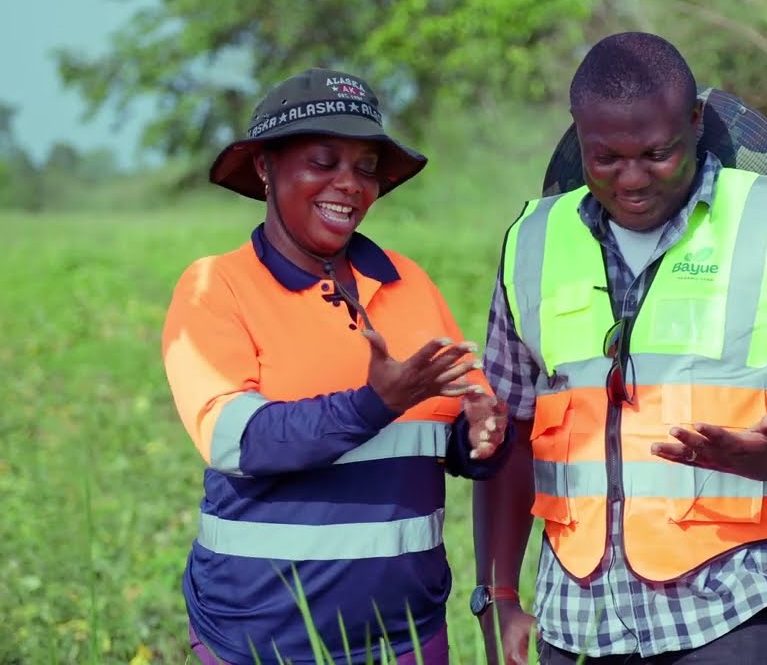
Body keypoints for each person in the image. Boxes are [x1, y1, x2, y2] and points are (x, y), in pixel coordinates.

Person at [470, 32, 767, 664]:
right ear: (579, 136)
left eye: (656, 154)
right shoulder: (532, 240)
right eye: (606, 158)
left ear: (694, 122)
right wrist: (498, 595)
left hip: (734, 608)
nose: (633, 179)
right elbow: (509, 432)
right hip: (577, 622)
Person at [161, 67, 512, 665]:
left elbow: (452, 429)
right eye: (323, 162)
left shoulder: (408, 283)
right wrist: (376, 403)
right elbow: (236, 440)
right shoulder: (216, 286)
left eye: (366, 168)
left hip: (407, 633)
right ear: (266, 167)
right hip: (261, 639)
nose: (349, 184)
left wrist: (480, 437)